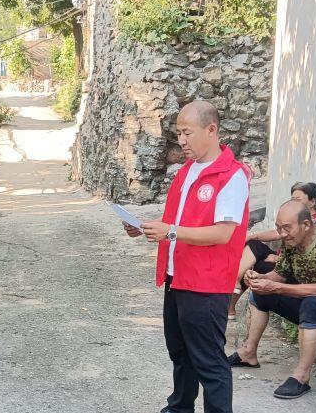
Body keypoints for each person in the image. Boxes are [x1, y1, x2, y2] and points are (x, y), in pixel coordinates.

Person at [124, 100, 250, 413]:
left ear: (212, 130)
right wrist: (145, 228)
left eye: (187, 132)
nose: (181, 140)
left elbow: (223, 233)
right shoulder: (187, 171)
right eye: (178, 133)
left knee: (208, 360)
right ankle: (180, 406)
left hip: (206, 284)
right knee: (180, 352)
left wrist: (170, 232)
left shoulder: (231, 176)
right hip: (177, 276)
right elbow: (178, 220)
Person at [227, 200, 316, 400]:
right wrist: (259, 279)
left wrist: (276, 286)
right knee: (263, 291)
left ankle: (301, 376)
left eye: (287, 228)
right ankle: (248, 353)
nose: (281, 233)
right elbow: (279, 275)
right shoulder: (292, 242)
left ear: (306, 225)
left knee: (313, 302)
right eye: (278, 228)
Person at [229, 182, 316, 318]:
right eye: (292, 199)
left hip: (292, 269)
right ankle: (235, 282)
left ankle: (231, 304)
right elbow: (276, 234)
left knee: (257, 265)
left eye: (297, 199)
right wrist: (252, 236)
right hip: (283, 260)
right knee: (254, 246)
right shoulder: (295, 219)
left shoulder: (314, 224)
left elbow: (303, 255)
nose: (292, 202)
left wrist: (277, 258)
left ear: (312, 202)